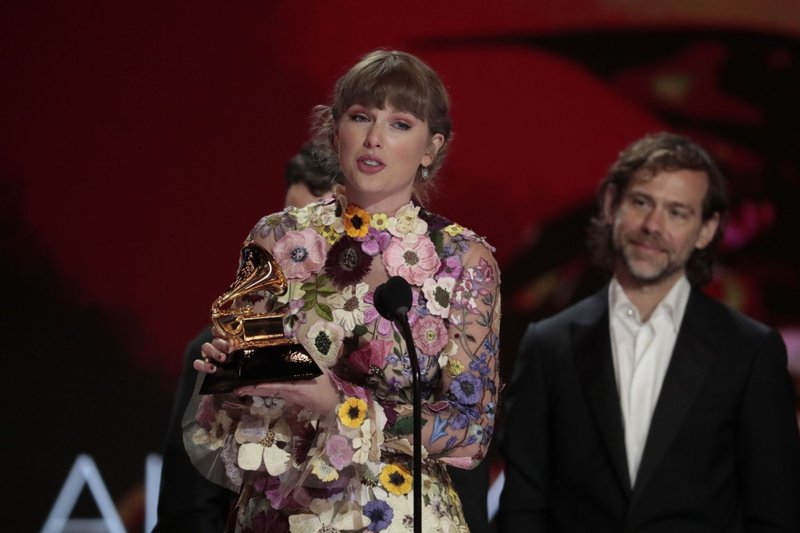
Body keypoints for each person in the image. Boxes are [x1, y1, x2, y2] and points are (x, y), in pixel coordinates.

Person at [185, 49, 501, 532]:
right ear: (336, 132)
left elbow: (472, 432)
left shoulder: (465, 261)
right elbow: (236, 411)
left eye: (400, 124)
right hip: (281, 513)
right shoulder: (277, 239)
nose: (374, 138)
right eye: (361, 117)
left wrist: (341, 406)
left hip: (402, 517)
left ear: (431, 147)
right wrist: (229, 374)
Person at [498, 132, 800, 532]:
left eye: (677, 212)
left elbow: (774, 510)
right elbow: (523, 506)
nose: (654, 226)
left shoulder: (750, 350)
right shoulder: (548, 344)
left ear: (707, 229)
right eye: (642, 203)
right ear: (611, 205)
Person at [152, 143, 335, 533]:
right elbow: (189, 508)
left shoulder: (397, 349)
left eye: (312, 231)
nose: (291, 248)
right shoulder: (229, 348)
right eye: (287, 225)